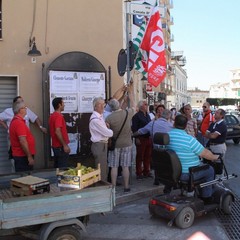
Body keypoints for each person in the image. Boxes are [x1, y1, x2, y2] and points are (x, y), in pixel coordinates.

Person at [167, 114, 220, 203]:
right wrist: (216, 157)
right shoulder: (189, 139)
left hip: (171, 171)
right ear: (185, 126)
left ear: (174, 124)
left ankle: (189, 191)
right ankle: (206, 197)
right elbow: (206, 154)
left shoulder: (166, 137)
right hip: (186, 174)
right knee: (210, 169)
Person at [132, 109, 173, 187]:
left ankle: (157, 179)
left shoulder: (153, 123)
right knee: (165, 165)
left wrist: (133, 135)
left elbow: (142, 131)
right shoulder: (170, 125)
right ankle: (165, 180)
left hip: (156, 148)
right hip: (167, 148)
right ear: (168, 116)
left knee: (157, 163)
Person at [106, 84, 135, 192]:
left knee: (114, 166)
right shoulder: (127, 113)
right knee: (125, 166)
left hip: (115, 144)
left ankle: (113, 186)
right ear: (118, 105)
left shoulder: (109, 118)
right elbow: (133, 107)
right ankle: (126, 186)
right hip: (127, 143)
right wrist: (131, 96)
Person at [89, 97, 113, 182]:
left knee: (104, 167)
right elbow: (109, 133)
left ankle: (103, 185)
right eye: (101, 104)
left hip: (102, 144)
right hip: (99, 145)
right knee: (101, 169)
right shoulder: (96, 120)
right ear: (96, 106)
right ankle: (102, 187)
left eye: (103, 104)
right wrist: (109, 129)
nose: (103, 106)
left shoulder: (99, 117)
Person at [9, 101, 36, 172]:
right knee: (25, 179)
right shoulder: (18, 123)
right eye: (25, 108)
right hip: (23, 157)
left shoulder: (17, 121)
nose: (26, 109)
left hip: (21, 156)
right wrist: (29, 157)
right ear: (20, 110)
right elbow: (23, 141)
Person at [132, 100, 152, 180]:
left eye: (147, 104)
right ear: (141, 106)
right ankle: (139, 172)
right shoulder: (136, 116)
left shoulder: (147, 115)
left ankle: (146, 171)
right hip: (141, 138)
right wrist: (136, 138)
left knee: (147, 156)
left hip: (148, 138)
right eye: (145, 104)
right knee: (140, 156)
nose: (147, 106)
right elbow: (134, 128)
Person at [49, 97, 70, 168]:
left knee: (57, 169)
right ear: (59, 105)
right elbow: (57, 131)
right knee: (62, 170)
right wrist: (64, 145)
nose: (64, 105)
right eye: (63, 103)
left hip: (56, 146)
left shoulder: (52, 116)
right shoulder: (58, 116)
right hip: (60, 147)